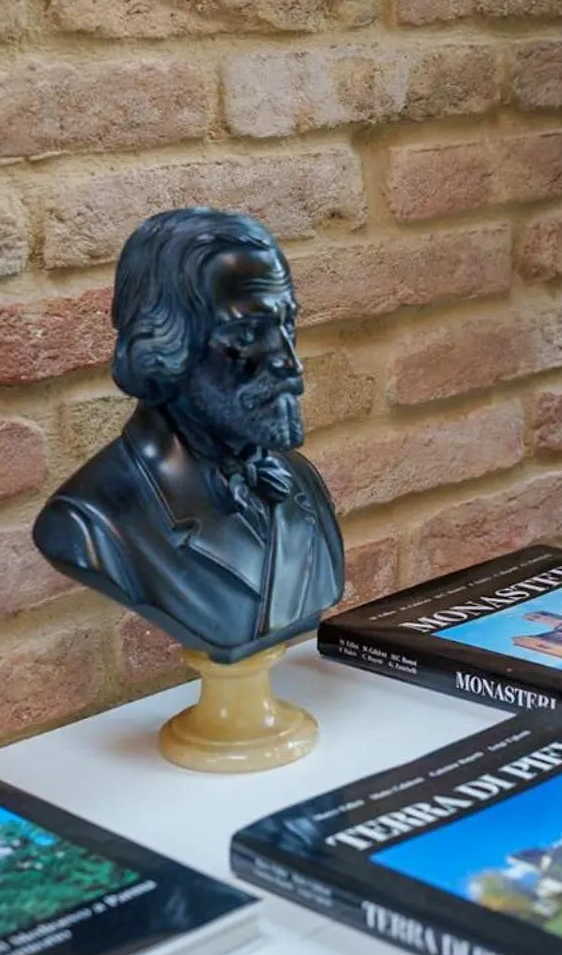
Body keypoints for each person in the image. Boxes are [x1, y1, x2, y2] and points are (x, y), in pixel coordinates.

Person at [33, 208, 344, 663]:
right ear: (163, 345)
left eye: (287, 325)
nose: (292, 366)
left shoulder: (300, 482)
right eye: (249, 332)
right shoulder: (89, 525)